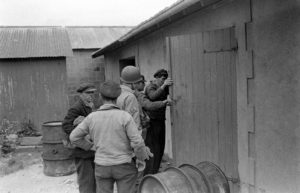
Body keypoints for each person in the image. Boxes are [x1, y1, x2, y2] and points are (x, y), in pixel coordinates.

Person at [69, 80, 153, 193]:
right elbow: (137, 142)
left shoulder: (92, 117)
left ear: (100, 96)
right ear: (118, 96)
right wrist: (141, 158)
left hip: (102, 166)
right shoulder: (125, 117)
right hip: (124, 166)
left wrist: (91, 147)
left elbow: (74, 137)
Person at [62, 83, 97, 193]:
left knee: (94, 180)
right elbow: (66, 126)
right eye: (87, 93)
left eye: (92, 93)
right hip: (82, 151)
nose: (90, 95)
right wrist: (80, 133)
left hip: (91, 150)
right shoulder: (76, 108)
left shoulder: (90, 106)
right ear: (81, 95)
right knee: (86, 181)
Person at [143, 69, 173, 175]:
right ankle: (149, 172)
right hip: (152, 122)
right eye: (162, 79)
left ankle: (155, 170)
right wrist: (164, 85)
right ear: (156, 78)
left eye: (165, 79)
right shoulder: (151, 86)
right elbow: (152, 96)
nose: (163, 81)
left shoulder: (164, 87)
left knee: (160, 146)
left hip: (160, 120)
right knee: (153, 148)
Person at [117, 66, 142, 132]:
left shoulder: (116, 93)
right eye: (138, 83)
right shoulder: (130, 97)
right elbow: (133, 122)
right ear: (133, 83)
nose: (138, 85)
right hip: (128, 136)